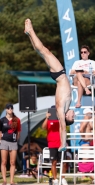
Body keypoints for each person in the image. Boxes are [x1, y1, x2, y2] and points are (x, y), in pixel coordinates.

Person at [24, 18, 75, 152]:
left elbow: (62, 127)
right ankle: (29, 33)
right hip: (59, 76)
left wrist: (63, 144)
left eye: (72, 117)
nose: (74, 114)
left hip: (59, 74)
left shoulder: (61, 111)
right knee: (41, 51)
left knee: (44, 51)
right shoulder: (66, 107)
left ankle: (31, 30)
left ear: (66, 118)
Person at [42, 109, 68, 185]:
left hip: (61, 143)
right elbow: (43, 127)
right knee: (54, 162)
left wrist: (61, 117)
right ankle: (55, 179)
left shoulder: (61, 120)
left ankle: (63, 178)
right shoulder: (49, 121)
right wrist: (46, 118)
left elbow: (65, 126)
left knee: (64, 162)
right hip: (52, 144)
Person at [0, 103, 21, 185]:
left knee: (12, 162)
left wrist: (16, 140)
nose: (10, 109)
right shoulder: (2, 120)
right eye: (8, 108)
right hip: (4, 141)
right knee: (4, 161)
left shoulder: (16, 120)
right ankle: (4, 180)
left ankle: (12, 181)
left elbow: (18, 132)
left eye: (11, 108)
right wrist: (1, 138)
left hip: (13, 142)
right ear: (6, 110)